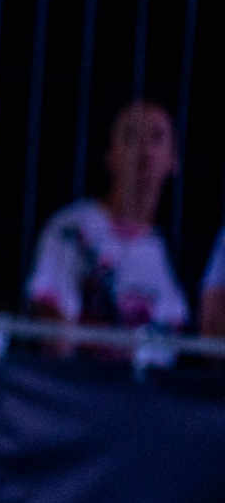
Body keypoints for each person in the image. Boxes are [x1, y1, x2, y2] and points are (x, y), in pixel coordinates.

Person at [25, 99, 189, 334]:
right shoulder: (72, 228)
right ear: (111, 154)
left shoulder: (170, 249)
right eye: (131, 135)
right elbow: (55, 330)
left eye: (156, 137)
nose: (145, 149)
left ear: (174, 159)